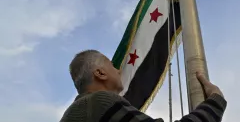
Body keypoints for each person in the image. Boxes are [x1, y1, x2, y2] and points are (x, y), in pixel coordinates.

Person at [60, 50, 227, 122]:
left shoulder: (80, 110)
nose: (118, 70)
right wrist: (215, 100)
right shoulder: (100, 102)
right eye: (111, 65)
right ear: (100, 73)